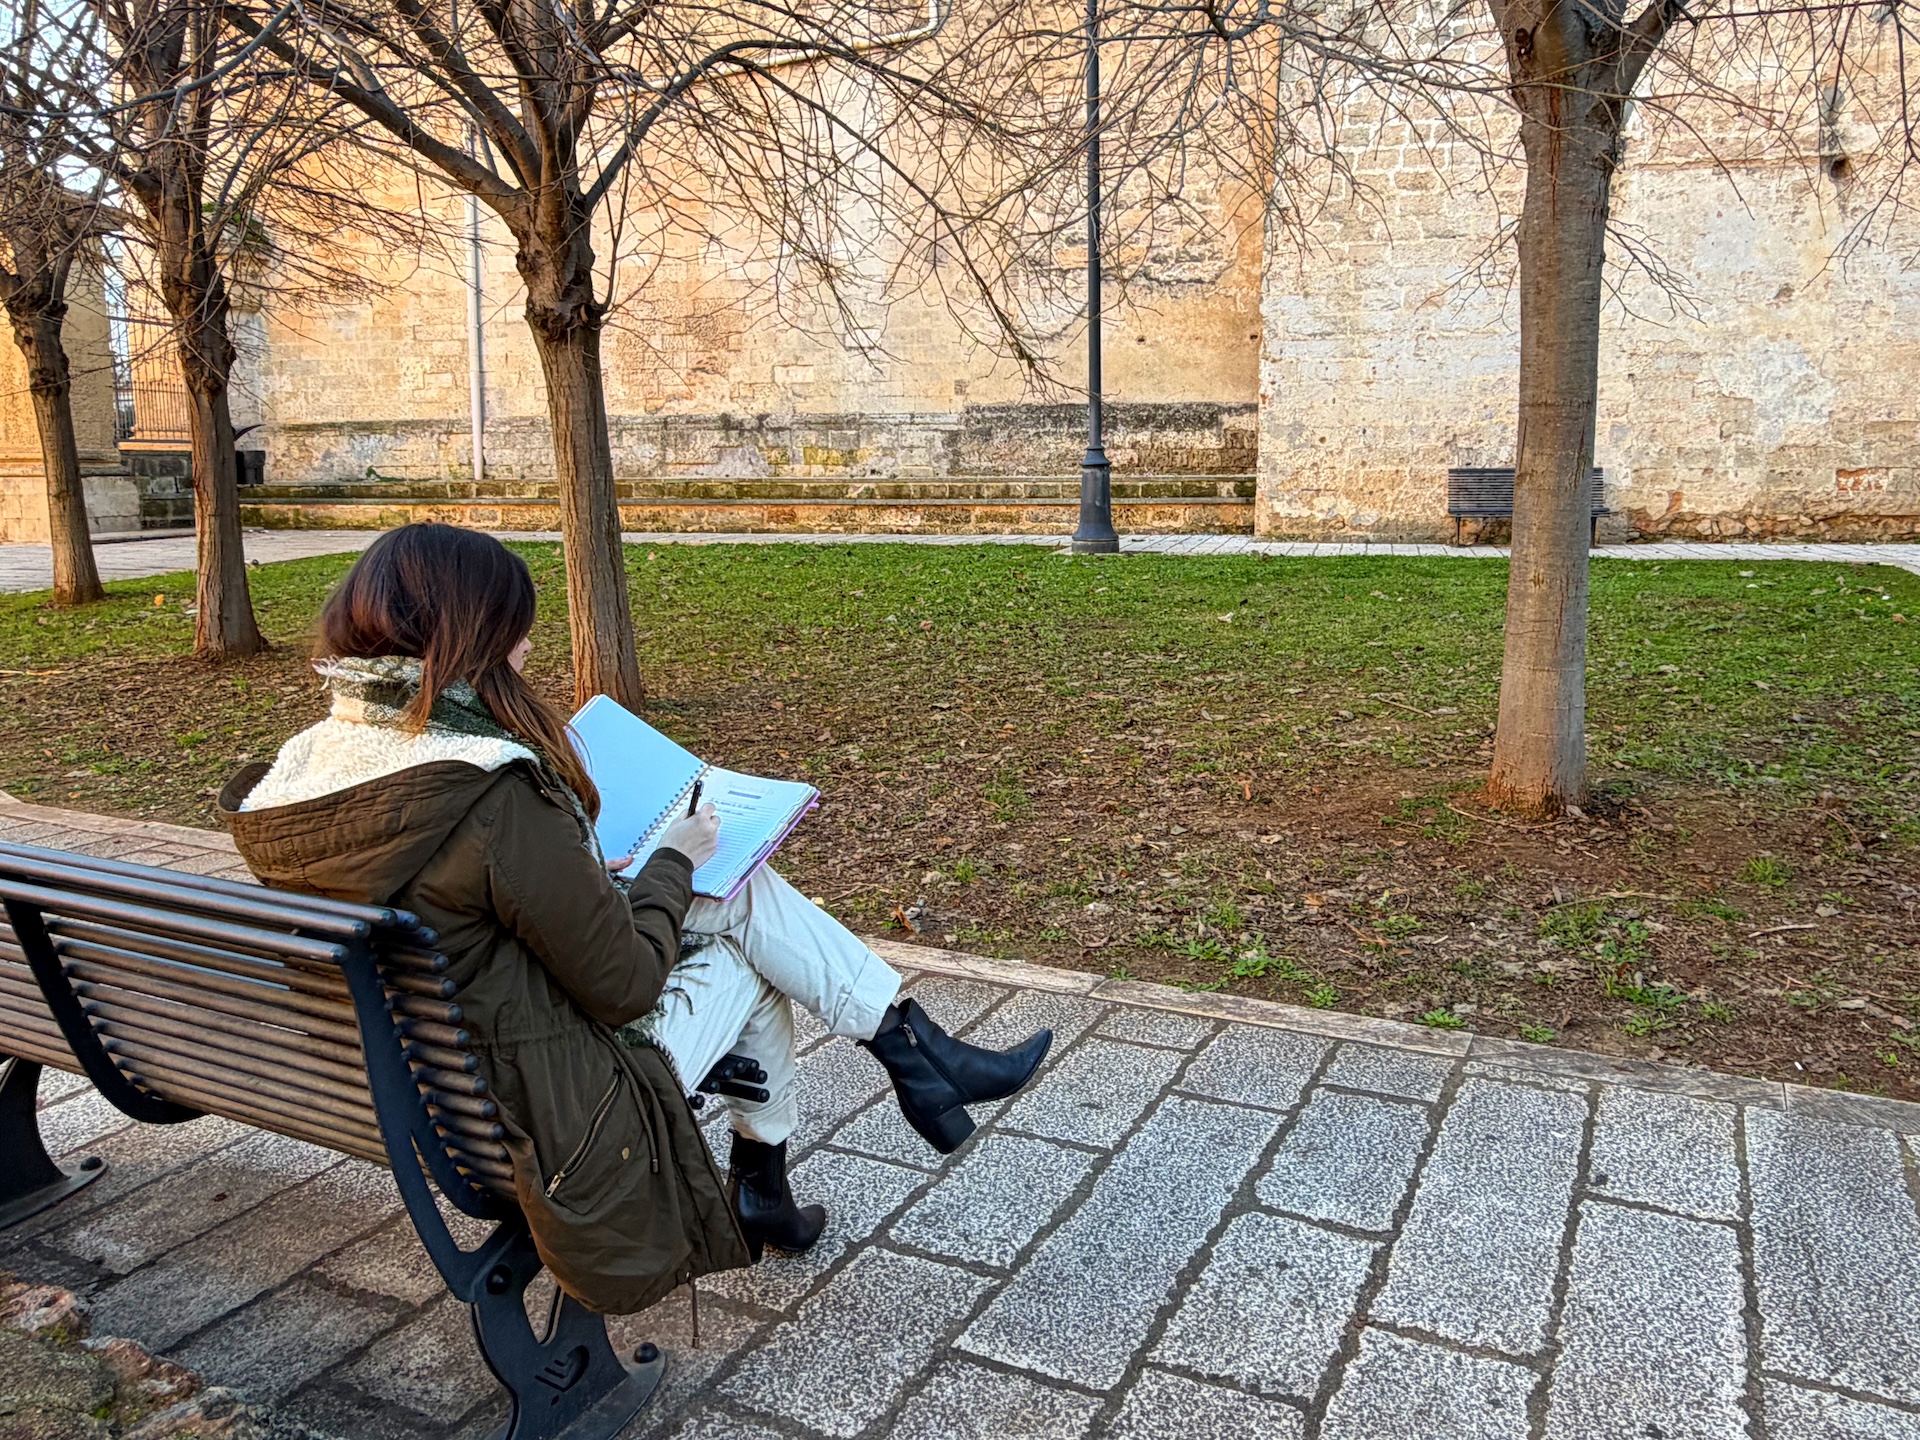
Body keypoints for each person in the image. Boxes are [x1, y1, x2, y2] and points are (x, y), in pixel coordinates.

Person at [219, 523, 1050, 1313]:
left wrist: (585, 876)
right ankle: (895, 1069)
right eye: (514, 627)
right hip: (553, 1114)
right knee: (749, 943)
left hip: (416, 1084)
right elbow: (624, 985)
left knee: (736, 904)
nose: (527, 646)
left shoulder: (304, 766)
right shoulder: (486, 787)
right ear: (471, 636)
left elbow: (463, 906)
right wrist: (673, 861)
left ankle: (877, 1092)